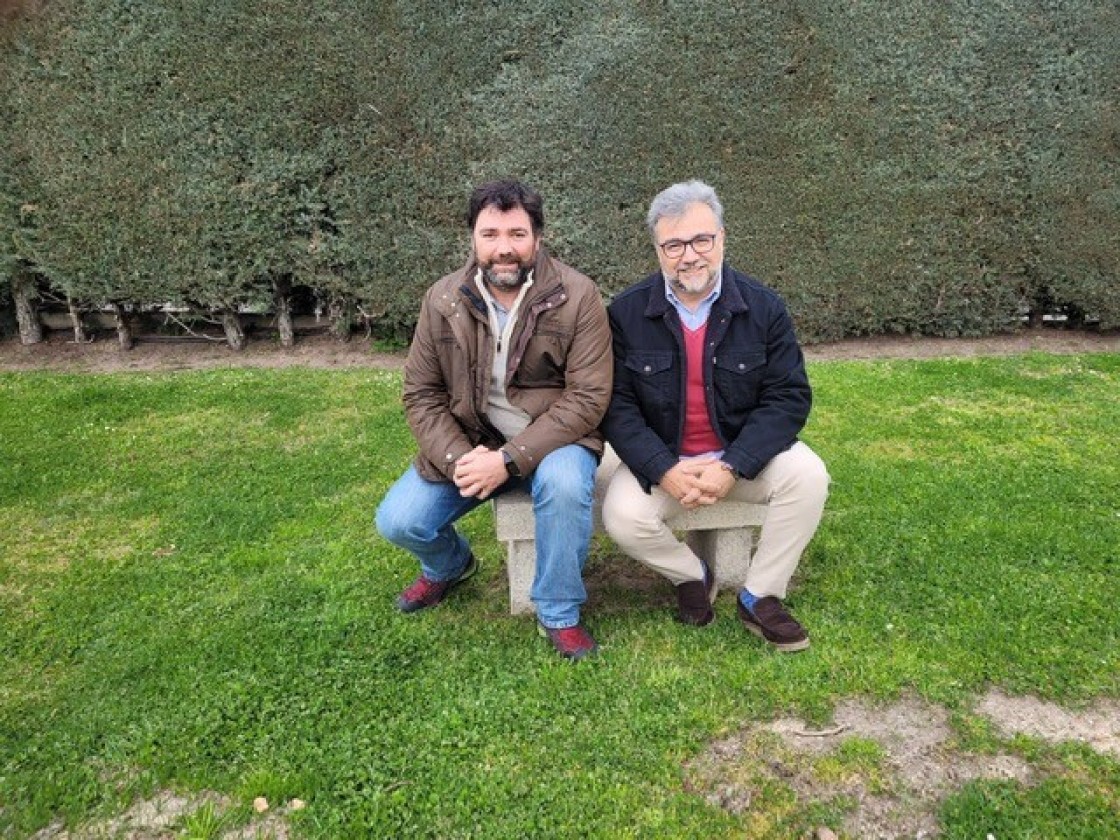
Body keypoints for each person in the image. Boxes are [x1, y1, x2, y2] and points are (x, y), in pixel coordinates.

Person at [376, 179, 612, 660]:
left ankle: (559, 611)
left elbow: (589, 397)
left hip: (555, 440)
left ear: (538, 238)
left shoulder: (579, 295)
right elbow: (421, 393)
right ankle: (450, 566)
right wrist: (462, 459)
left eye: (517, 234)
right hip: (472, 441)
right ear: (473, 238)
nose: (504, 248)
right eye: (490, 234)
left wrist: (508, 460)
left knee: (566, 486)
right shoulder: (442, 300)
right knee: (398, 521)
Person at [601, 179, 829, 652]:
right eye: (674, 244)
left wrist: (733, 465)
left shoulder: (764, 307)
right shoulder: (625, 312)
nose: (690, 255)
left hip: (739, 457)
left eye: (702, 239)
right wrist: (663, 468)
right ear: (657, 249)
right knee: (623, 516)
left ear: (723, 237)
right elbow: (616, 406)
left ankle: (760, 595)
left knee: (808, 476)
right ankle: (691, 575)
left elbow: (788, 397)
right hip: (668, 462)